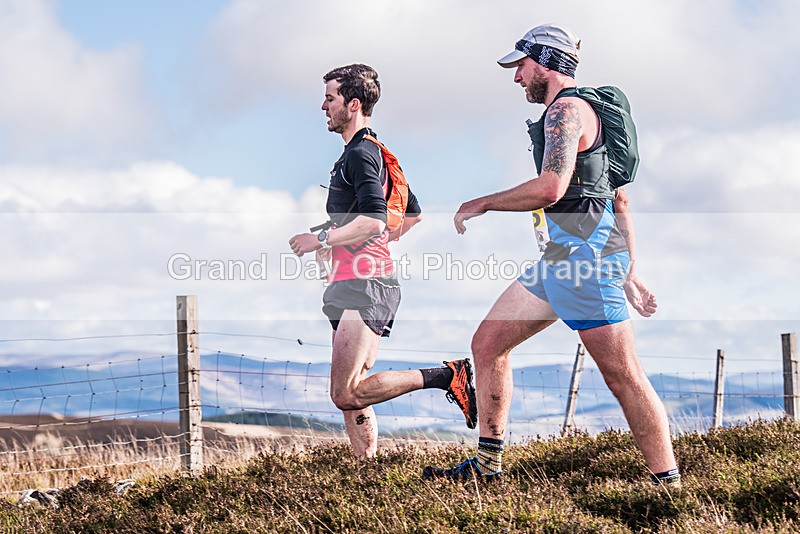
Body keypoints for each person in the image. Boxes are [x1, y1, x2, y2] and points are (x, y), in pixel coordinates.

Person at [423, 25, 680, 486]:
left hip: (585, 262)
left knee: (624, 378)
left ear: (544, 62)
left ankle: (670, 486)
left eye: (520, 66)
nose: (517, 77)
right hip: (564, 260)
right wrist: (631, 271)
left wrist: (481, 202)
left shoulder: (565, 110)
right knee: (487, 344)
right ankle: (487, 468)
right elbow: (618, 200)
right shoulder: (594, 113)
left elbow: (550, 187)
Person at [289, 64, 477, 458]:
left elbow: (375, 220)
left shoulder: (362, 153)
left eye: (330, 98)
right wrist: (342, 241)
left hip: (366, 283)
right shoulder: (369, 153)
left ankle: (447, 375)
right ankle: (365, 471)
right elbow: (411, 214)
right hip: (351, 279)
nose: (323, 106)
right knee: (353, 387)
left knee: (345, 392)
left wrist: (322, 238)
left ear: (353, 103)